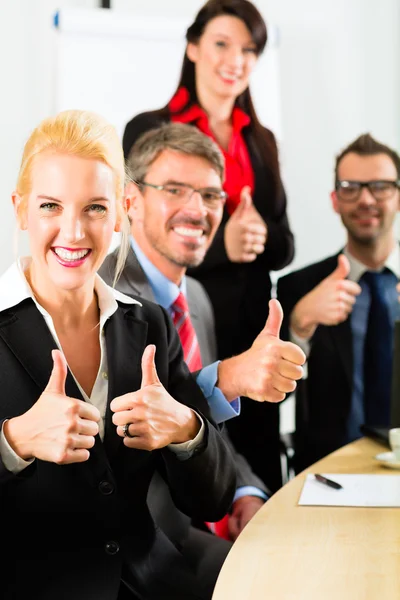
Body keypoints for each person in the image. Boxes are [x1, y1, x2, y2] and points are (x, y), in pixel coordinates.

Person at [0, 109, 237, 600]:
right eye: (50, 206)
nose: (73, 232)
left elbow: (212, 498)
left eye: (95, 208)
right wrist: (14, 441)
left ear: (121, 212)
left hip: (149, 585)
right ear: (20, 209)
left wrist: (186, 431)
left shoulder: (147, 322)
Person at [100, 122, 305, 595]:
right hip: (136, 538)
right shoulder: (101, 290)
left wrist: (246, 493)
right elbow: (129, 435)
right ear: (131, 201)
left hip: (198, 513)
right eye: (175, 189)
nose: (197, 209)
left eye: (212, 196)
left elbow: (217, 435)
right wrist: (228, 378)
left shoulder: (197, 298)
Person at [122, 0, 295, 493]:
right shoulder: (151, 128)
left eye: (249, 49)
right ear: (194, 47)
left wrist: (257, 238)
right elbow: (143, 227)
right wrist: (224, 247)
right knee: (184, 450)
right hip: (179, 310)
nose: (236, 59)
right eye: (222, 43)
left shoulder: (261, 141)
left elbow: (282, 243)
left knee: (248, 470)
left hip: (247, 322)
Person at [277, 133, 400, 472]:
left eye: (380, 186)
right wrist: (300, 327)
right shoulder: (298, 287)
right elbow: (270, 400)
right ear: (334, 200)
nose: (365, 199)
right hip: (328, 475)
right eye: (350, 187)